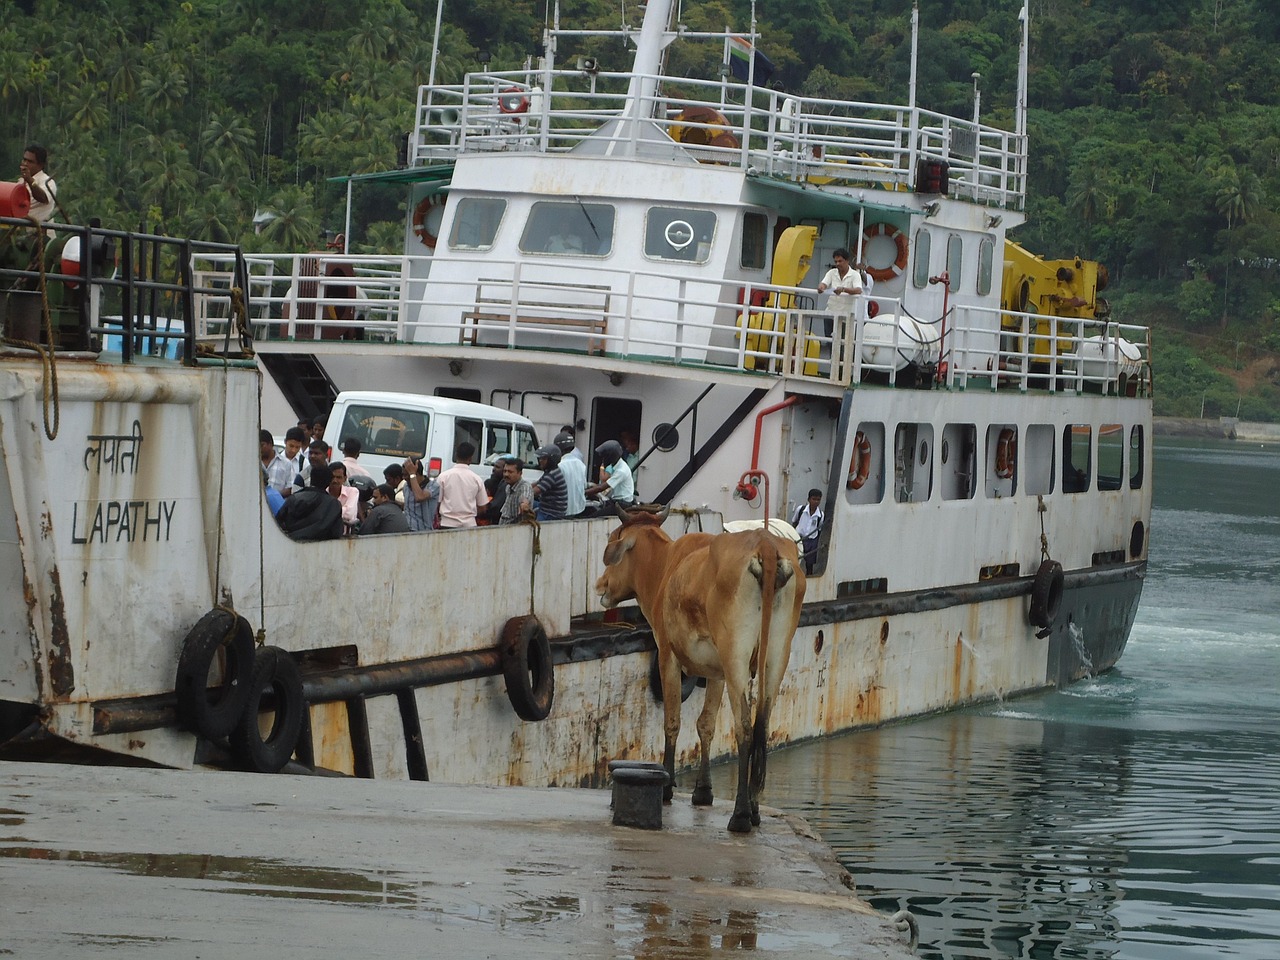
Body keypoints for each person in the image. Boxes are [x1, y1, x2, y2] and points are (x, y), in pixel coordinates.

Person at [276, 463, 343, 541]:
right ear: (329, 482)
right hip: (321, 548)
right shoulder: (334, 504)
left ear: (311, 478)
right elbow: (336, 533)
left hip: (291, 543)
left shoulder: (294, 498)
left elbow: (278, 523)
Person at [435, 442, 489, 529]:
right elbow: (483, 507)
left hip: (447, 524)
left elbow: (437, 502)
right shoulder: (476, 479)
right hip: (469, 525)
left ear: (456, 455)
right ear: (470, 459)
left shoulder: (443, 477)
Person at [816, 248, 863, 338]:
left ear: (847, 261)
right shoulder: (832, 272)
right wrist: (821, 288)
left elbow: (858, 290)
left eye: (840, 261)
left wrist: (844, 289)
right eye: (836, 261)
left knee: (843, 343)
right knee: (830, 341)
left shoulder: (854, 274)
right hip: (831, 312)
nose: (837, 264)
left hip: (846, 315)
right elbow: (824, 283)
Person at [586, 439, 635, 514]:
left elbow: (602, 487)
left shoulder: (621, 471)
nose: (603, 460)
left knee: (594, 516)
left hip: (622, 504)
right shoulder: (617, 466)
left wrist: (584, 493)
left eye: (604, 457)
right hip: (615, 500)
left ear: (610, 456)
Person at [19, 144, 57, 226]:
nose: (25, 164)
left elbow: (43, 198)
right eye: (24, 160)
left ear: (41, 165)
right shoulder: (20, 182)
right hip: (19, 231)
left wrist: (30, 180)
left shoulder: (48, 182)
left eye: (30, 161)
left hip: (41, 233)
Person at [401, 456, 441, 531]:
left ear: (417, 474)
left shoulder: (433, 486)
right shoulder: (406, 486)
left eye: (406, 475)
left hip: (424, 532)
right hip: (408, 531)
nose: (404, 478)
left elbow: (419, 497)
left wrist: (412, 474)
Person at [791, 488, 824, 574]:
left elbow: (819, 529)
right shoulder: (801, 509)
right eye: (814, 499)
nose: (816, 502)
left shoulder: (820, 514)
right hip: (799, 539)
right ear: (809, 499)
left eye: (818, 500)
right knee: (795, 560)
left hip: (812, 541)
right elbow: (794, 522)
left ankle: (808, 576)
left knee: (809, 563)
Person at [555, 431, 587, 518]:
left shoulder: (559, 465)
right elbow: (584, 486)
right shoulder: (581, 465)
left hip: (563, 512)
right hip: (579, 510)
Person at [532, 444, 567, 521]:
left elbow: (535, 491)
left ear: (552, 460)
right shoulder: (551, 471)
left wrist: (521, 493)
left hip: (550, 513)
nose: (540, 461)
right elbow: (537, 483)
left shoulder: (551, 475)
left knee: (537, 528)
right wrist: (522, 486)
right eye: (540, 458)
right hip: (547, 507)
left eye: (544, 459)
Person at [326, 460, 360, 530]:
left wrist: (327, 512)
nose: (335, 480)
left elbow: (349, 515)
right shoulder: (323, 492)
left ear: (344, 479)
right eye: (332, 477)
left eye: (339, 477)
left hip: (344, 537)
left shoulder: (352, 492)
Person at [498, 458, 533, 524]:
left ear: (520, 473)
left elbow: (525, 496)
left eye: (510, 472)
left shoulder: (525, 486)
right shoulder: (508, 487)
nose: (506, 474)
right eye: (505, 471)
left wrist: (524, 504)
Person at [260, 428, 293, 494]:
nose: (259, 448)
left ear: (270, 444)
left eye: (262, 445)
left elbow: (289, 488)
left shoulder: (285, 463)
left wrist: (274, 497)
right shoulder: (253, 464)